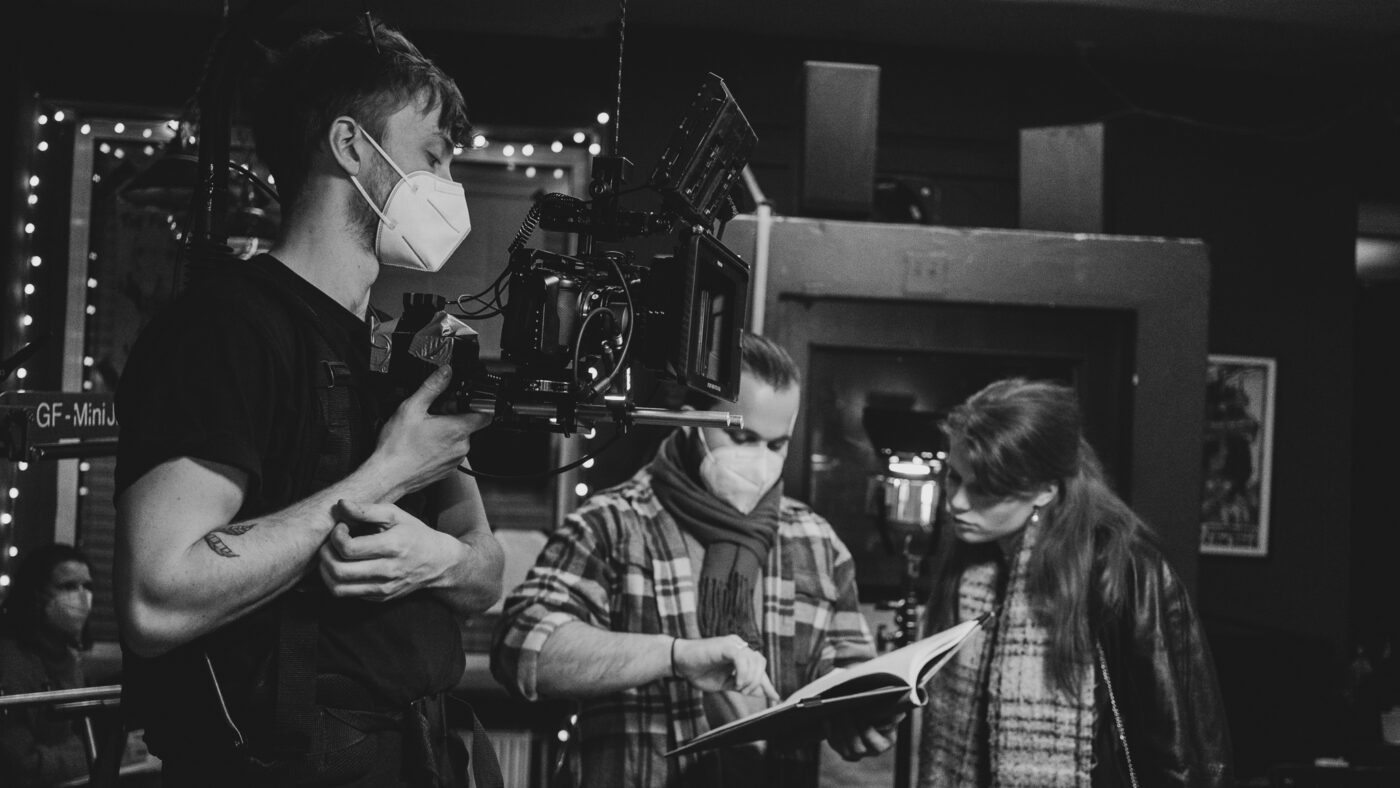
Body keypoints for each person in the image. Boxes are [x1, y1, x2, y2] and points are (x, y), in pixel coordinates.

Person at [114, 18, 503, 787]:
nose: (447, 184)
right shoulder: (226, 330)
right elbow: (156, 596)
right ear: (351, 145)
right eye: (433, 155)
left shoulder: (403, 350)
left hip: (424, 755)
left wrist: (440, 559)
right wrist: (387, 474)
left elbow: (485, 571)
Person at [492, 332, 894, 788]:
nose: (759, 460)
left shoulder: (817, 543)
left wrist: (862, 716)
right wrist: (674, 656)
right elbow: (520, 649)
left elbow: (849, 672)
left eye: (776, 445)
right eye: (741, 436)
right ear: (690, 421)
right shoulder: (611, 525)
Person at [917, 379, 1232, 787]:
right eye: (954, 478)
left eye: (985, 489)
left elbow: (1178, 741)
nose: (957, 502)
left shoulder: (1120, 569)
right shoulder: (970, 562)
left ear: (1045, 490)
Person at [0, 544, 95, 787]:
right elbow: (21, 767)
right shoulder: (9, 662)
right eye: (68, 586)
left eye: (87, 586)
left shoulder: (69, 660)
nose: (82, 597)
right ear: (36, 593)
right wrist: (92, 755)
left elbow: (83, 737)